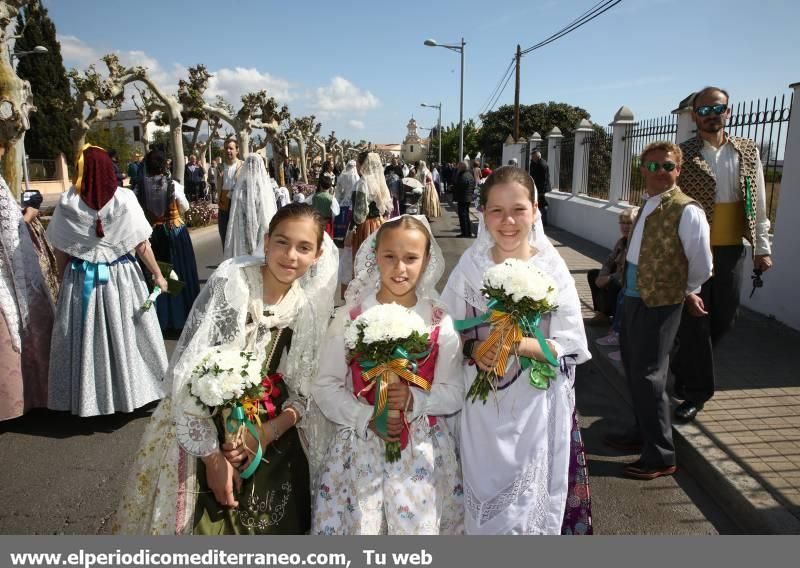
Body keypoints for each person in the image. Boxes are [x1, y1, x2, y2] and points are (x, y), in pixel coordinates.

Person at [113, 203, 339, 534]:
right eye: (282, 242)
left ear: (317, 255)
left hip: (269, 435)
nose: (291, 255)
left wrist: (264, 432)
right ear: (265, 242)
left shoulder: (305, 309)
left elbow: (303, 393)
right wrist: (213, 459)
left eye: (304, 247)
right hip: (201, 423)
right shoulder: (235, 282)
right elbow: (190, 376)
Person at [442, 166, 592, 534]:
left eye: (518, 209)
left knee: (527, 511)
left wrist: (520, 344)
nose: (507, 221)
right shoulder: (470, 268)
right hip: (481, 414)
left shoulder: (553, 269)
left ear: (536, 210)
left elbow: (571, 343)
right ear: (482, 214)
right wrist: (475, 347)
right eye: (496, 210)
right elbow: (445, 330)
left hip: (536, 411)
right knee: (484, 508)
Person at [312, 216, 464, 534]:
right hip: (359, 447)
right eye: (389, 257)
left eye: (411, 258)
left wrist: (416, 399)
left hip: (420, 451)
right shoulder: (350, 317)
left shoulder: (438, 321)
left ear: (425, 262)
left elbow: (454, 391)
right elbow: (325, 385)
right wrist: (364, 414)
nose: (400, 268)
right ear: (374, 257)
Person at [607, 142, 712, 480]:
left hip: (660, 303)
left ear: (678, 170)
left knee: (651, 375)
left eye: (667, 166)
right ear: (642, 170)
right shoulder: (649, 203)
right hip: (635, 298)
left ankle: (661, 456)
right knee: (636, 370)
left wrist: (684, 290)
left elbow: (702, 265)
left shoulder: (687, 209)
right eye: (652, 166)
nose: (659, 172)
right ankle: (643, 432)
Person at [671, 86, 773, 422]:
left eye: (718, 108)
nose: (711, 115)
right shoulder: (684, 153)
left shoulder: (746, 150)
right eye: (704, 110)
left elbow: (755, 201)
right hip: (694, 249)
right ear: (694, 115)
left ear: (727, 112)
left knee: (724, 318)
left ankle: (683, 364)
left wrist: (762, 246)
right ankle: (694, 393)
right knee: (696, 319)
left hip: (731, 248)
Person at [46, 145, 168, 417]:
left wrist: (61, 281)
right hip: (121, 278)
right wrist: (157, 275)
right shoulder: (124, 200)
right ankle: (133, 393)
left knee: (87, 336)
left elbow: (61, 251)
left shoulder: (69, 202)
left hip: (81, 280)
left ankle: (88, 398)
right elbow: (141, 243)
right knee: (129, 333)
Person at [0, 172, 56, 421]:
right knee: (26, 325)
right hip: (7, 274)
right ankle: (32, 398)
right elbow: (11, 233)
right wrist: (30, 215)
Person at [137, 148, 200, 332]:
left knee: (157, 273)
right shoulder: (173, 185)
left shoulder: (139, 186)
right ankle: (183, 316)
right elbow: (186, 207)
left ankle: (160, 319)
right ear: (165, 165)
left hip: (152, 234)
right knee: (178, 271)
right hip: (173, 231)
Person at [586, 207, 639, 326]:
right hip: (616, 275)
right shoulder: (621, 241)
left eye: (629, 223)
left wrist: (609, 278)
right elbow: (609, 261)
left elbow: (629, 269)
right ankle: (602, 313)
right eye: (623, 223)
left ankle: (615, 318)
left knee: (614, 283)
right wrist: (602, 275)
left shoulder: (636, 244)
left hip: (627, 279)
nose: (625, 227)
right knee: (593, 274)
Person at [223, 154, 278, 260]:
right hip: (256, 226)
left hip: (244, 227)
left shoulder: (239, 186)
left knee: (247, 257)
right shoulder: (264, 185)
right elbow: (267, 212)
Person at [350, 151, 392, 259]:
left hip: (366, 227)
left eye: (358, 163)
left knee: (364, 260)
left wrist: (351, 229)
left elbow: (360, 214)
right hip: (379, 223)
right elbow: (387, 207)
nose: (357, 166)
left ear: (363, 164)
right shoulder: (378, 180)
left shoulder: (363, 182)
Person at [215, 139, 244, 249]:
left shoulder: (243, 165)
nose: (228, 150)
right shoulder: (219, 167)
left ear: (237, 150)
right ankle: (227, 261)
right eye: (226, 148)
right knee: (224, 234)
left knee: (238, 236)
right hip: (224, 204)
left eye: (231, 148)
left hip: (239, 205)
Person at [334, 160, 359, 240]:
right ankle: (348, 235)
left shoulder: (343, 175)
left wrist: (338, 199)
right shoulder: (357, 177)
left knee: (342, 218)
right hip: (353, 201)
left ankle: (340, 235)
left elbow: (338, 189)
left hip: (344, 200)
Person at [453, 160, 475, 238]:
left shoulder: (464, 175)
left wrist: (453, 188)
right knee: (465, 216)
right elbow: (472, 185)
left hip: (463, 198)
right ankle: (467, 232)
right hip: (467, 197)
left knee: (463, 216)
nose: (458, 167)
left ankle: (465, 233)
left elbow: (460, 186)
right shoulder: (469, 174)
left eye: (459, 166)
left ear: (462, 167)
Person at [529, 150, 551, 226]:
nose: (532, 158)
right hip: (536, 186)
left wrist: (541, 189)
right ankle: (539, 220)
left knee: (542, 203)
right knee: (538, 203)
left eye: (533, 157)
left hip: (541, 188)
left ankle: (544, 221)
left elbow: (544, 178)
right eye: (532, 157)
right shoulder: (534, 163)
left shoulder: (542, 164)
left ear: (537, 156)